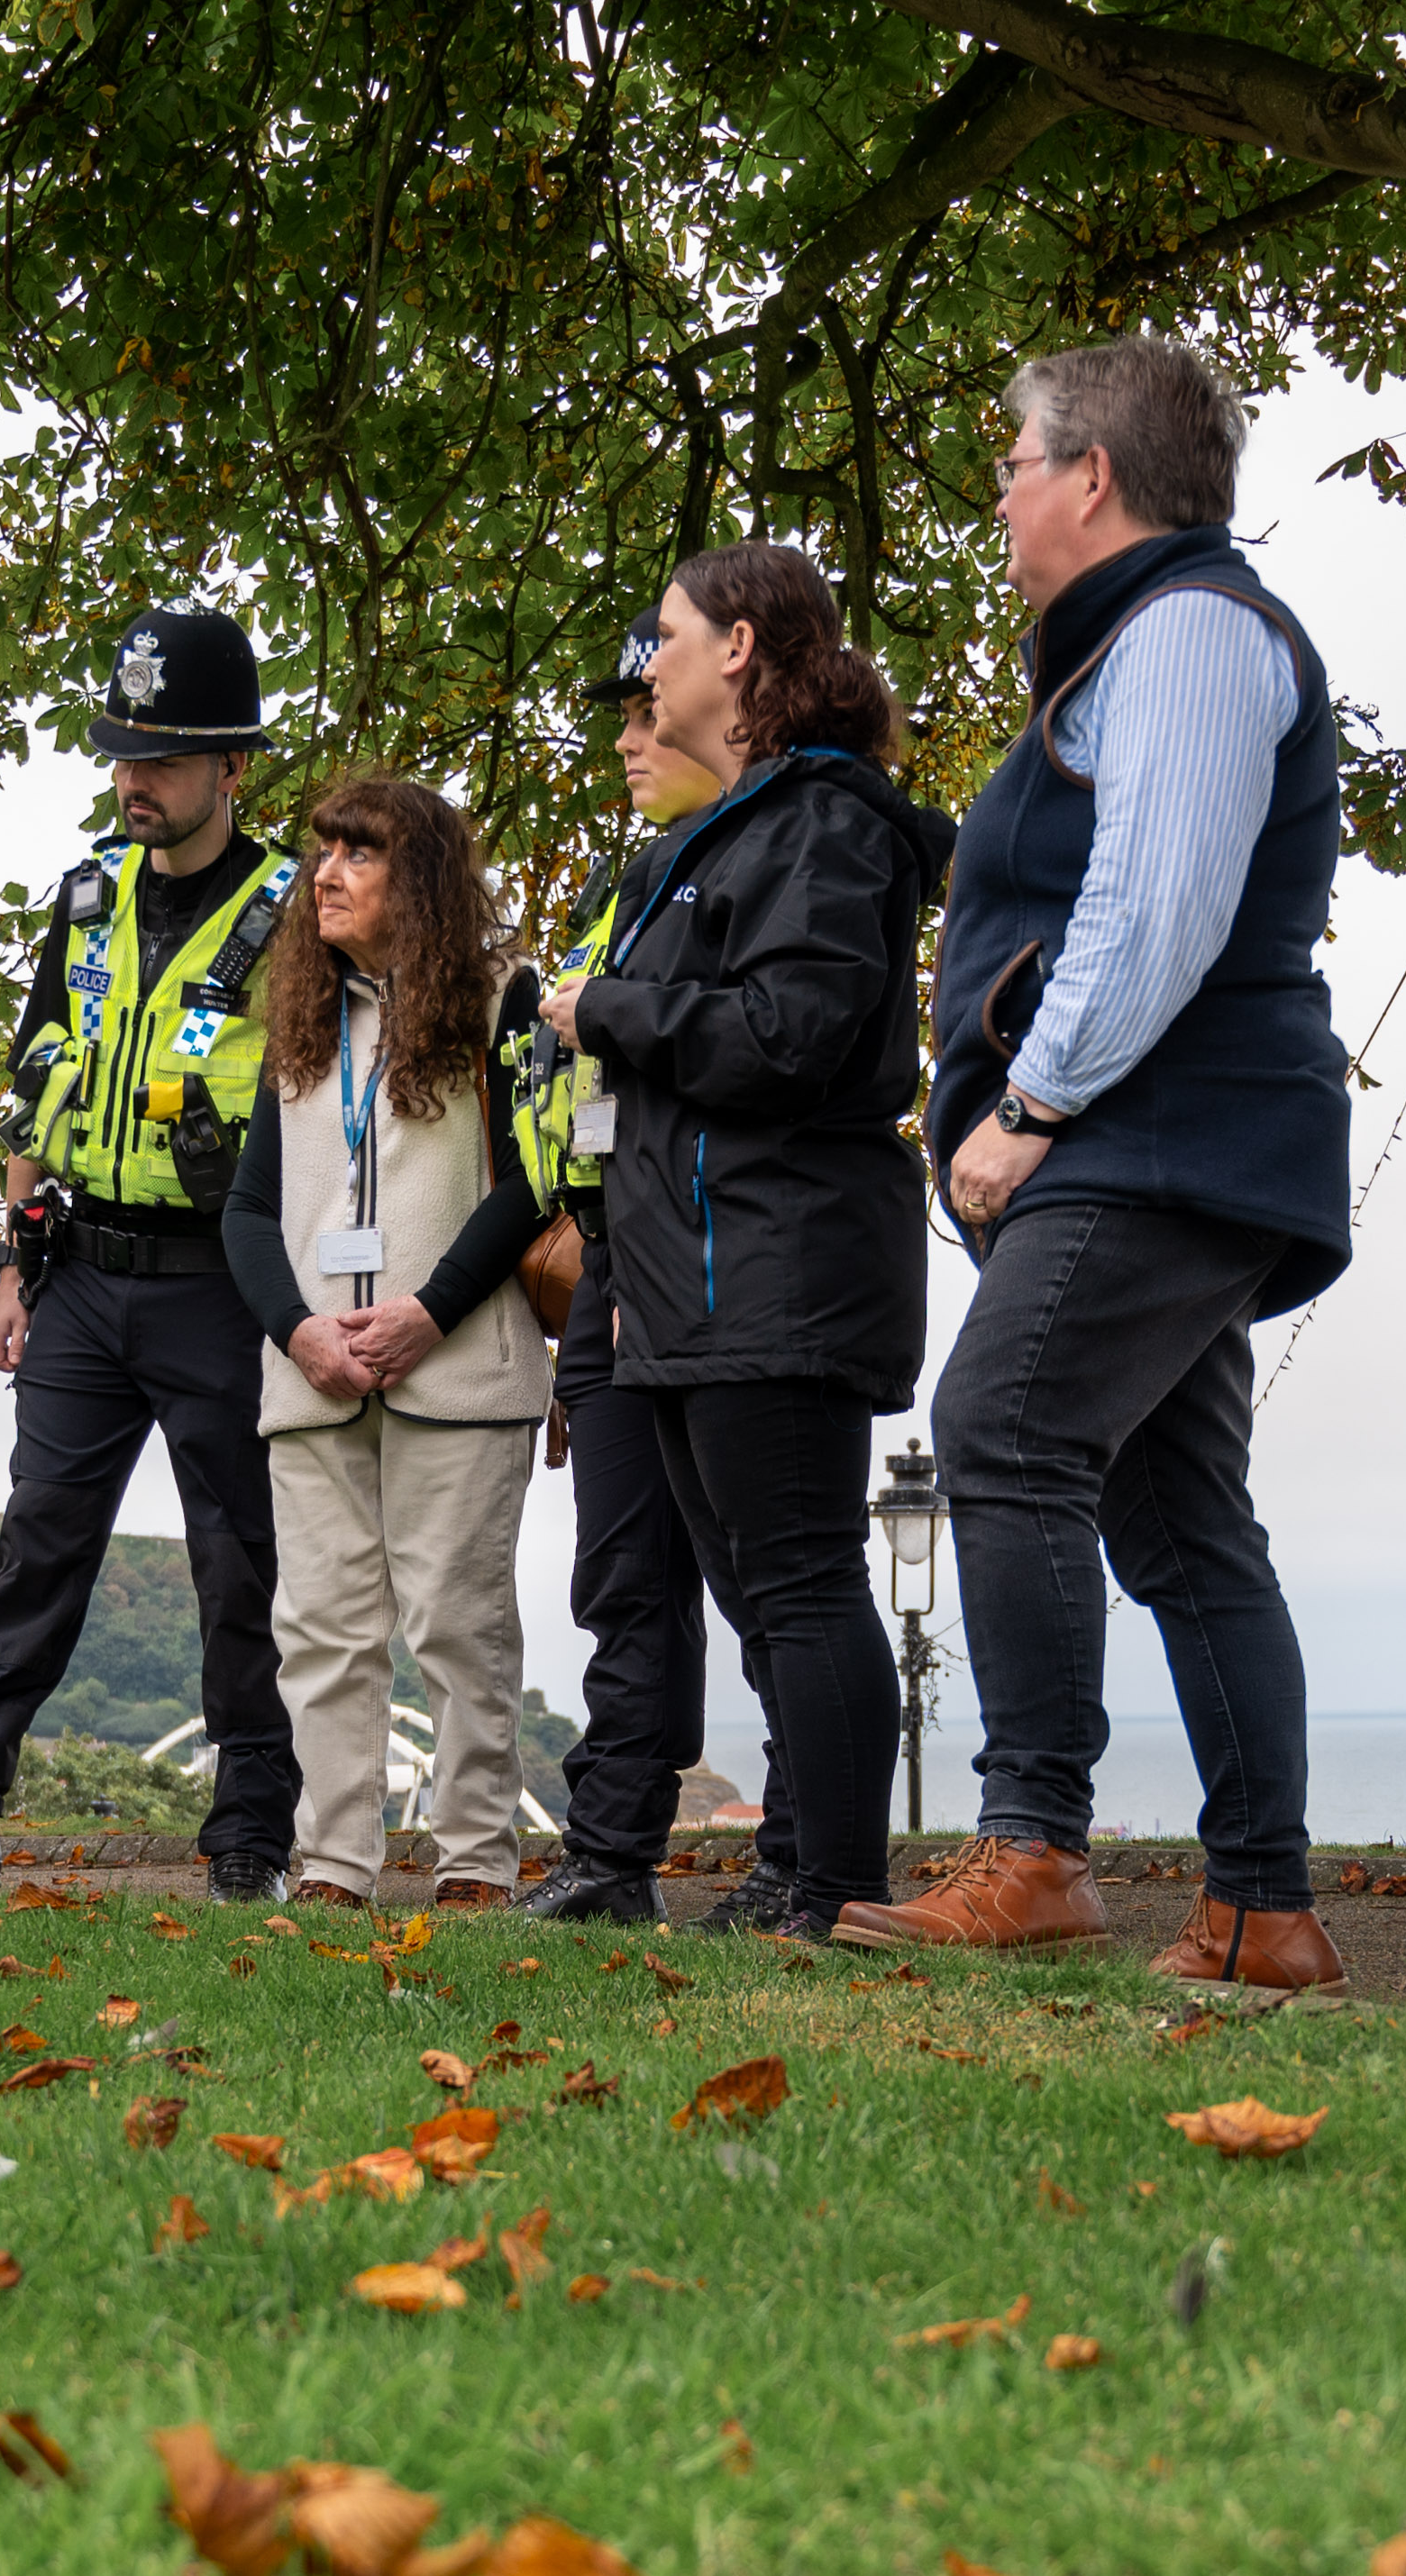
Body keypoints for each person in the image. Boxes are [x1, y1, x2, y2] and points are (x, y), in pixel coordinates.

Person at [835, 337, 1354, 1992]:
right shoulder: (1133, 649)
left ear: (1092, 478)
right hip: (1174, 1140)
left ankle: (1035, 1848)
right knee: (1181, 1508)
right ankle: (1259, 1913)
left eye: (1009, 461)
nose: (997, 493)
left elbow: (1155, 906)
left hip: (1153, 1136)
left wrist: (1031, 1102)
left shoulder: (1191, 631)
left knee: (1000, 1424)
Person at [0, 610, 303, 1898]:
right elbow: (34, 1084)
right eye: (120, 756)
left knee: (237, 1558)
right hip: (80, 1272)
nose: (132, 780)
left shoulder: (294, 913)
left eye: (160, 758)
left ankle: (252, 1826)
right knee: (36, 1542)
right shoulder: (86, 898)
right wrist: (10, 1260)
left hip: (220, 1282)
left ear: (230, 767)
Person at [538, 547, 957, 1942]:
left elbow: (797, 1036)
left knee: (798, 1578)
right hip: (690, 1279)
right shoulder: (726, 832)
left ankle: (830, 1885)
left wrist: (603, 1010)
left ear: (739, 646)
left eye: (663, 635)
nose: (644, 663)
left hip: (777, 1262)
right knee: (758, 1589)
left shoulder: (827, 821)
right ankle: (795, 1874)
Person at [506, 622, 794, 1927]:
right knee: (621, 1573)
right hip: (612, 1263)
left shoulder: (777, 857)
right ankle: (610, 1852)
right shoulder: (621, 891)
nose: (625, 740)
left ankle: (801, 1844)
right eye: (616, 716)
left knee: (765, 1570)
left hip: (726, 1254)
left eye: (643, 711)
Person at [224, 775, 549, 1908]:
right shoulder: (300, 1022)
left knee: (460, 1629)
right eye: (322, 853)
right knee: (320, 1633)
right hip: (312, 1381)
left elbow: (532, 1183)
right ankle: (334, 1867)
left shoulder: (507, 1001)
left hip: (458, 1370)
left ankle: (473, 1863)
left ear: (420, 879)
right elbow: (249, 1212)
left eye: (356, 855)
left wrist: (430, 1309)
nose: (324, 874)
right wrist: (298, 1329)